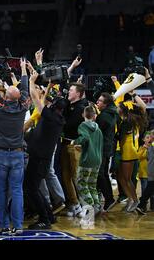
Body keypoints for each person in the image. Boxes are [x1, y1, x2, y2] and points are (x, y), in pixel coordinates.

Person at [0, 55, 29, 235]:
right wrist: (23, 69)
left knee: (1, 190)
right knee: (17, 190)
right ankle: (18, 226)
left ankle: (4, 224)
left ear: (6, 96)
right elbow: (25, 89)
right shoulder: (23, 107)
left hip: (0, 154)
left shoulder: (0, 107)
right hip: (18, 154)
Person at [25, 71, 66, 229]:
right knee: (34, 187)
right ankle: (49, 215)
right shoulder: (58, 118)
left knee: (31, 188)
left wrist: (31, 82)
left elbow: (36, 99)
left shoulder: (49, 117)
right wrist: (48, 87)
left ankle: (44, 219)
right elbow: (43, 101)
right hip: (43, 157)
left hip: (39, 157)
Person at [61, 82, 88, 217]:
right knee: (66, 175)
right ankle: (75, 203)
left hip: (76, 146)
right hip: (66, 143)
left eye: (71, 91)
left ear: (78, 93)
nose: (68, 93)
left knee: (77, 176)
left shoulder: (81, 108)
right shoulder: (70, 105)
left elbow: (68, 124)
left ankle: (84, 205)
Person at [117, 94, 147, 213]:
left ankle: (134, 200)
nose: (116, 108)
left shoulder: (127, 122)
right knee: (121, 177)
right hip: (129, 151)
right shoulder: (132, 119)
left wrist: (134, 94)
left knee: (127, 179)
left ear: (122, 110)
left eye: (118, 107)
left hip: (128, 152)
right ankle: (130, 198)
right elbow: (143, 107)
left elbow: (122, 139)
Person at [72, 106, 103, 215]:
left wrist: (75, 142)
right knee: (92, 185)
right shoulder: (98, 129)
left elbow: (84, 138)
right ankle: (98, 206)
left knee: (81, 184)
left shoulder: (83, 126)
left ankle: (90, 207)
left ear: (83, 115)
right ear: (94, 116)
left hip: (87, 160)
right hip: (97, 160)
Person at [95, 92, 119, 211]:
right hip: (107, 147)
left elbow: (96, 132)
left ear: (105, 104)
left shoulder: (103, 116)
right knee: (103, 174)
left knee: (100, 175)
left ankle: (108, 198)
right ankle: (109, 199)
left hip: (102, 148)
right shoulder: (112, 113)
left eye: (99, 101)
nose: (97, 102)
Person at [136, 132, 154, 215]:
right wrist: (144, 149)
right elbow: (139, 156)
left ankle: (145, 205)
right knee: (146, 189)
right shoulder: (146, 147)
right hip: (147, 172)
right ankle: (142, 206)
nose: (149, 139)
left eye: (149, 137)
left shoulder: (151, 146)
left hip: (149, 172)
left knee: (150, 190)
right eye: (147, 137)